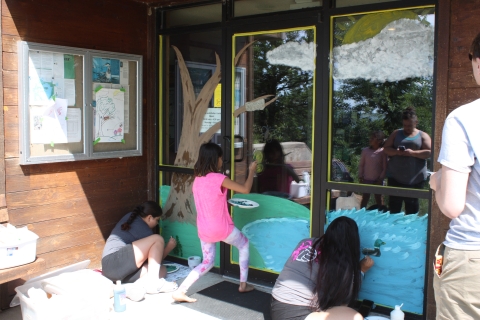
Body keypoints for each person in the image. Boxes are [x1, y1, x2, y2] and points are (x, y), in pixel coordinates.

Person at [429, 32, 480, 319]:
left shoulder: (466, 118)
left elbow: (451, 206)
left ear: (478, 63)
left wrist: (436, 180)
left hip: (472, 256)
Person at [172, 142, 257, 303]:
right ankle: (243, 284)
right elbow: (245, 189)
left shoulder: (197, 180)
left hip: (204, 229)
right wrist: (251, 171)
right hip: (221, 228)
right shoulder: (220, 178)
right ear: (215, 159)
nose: (221, 161)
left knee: (207, 262)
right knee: (244, 244)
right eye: (220, 158)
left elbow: (211, 200)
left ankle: (181, 290)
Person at [270, 216, 374, 320]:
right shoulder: (341, 264)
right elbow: (344, 298)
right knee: (354, 317)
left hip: (276, 305)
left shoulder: (305, 242)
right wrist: (361, 270)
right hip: (297, 314)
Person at [101, 201, 178, 293]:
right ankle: (153, 284)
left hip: (115, 274)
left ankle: (138, 287)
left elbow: (153, 265)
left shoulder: (130, 216)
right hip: (113, 261)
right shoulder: (144, 230)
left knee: (162, 270)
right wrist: (168, 248)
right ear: (149, 217)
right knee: (158, 239)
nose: (157, 223)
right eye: (157, 220)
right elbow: (155, 260)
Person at [383, 107, 431, 214]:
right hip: (395, 178)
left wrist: (412, 153)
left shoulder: (423, 136)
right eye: (404, 125)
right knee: (394, 210)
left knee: (412, 210)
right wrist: (396, 152)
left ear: (416, 122)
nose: (406, 128)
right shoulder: (396, 133)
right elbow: (386, 149)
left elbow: (430, 152)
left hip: (415, 179)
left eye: (409, 125)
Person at [359, 130, 387, 209]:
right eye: (370, 138)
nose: (370, 140)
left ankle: (381, 214)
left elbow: (385, 168)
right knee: (365, 198)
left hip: (378, 181)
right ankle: (361, 214)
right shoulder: (365, 151)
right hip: (366, 179)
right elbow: (361, 165)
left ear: (379, 140)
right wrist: (360, 176)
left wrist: (380, 179)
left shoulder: (382, 152)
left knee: (379, 198)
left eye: (372, 138)